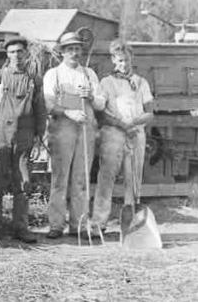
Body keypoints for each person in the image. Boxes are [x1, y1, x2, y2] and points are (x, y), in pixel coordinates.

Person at [0, 37, 46, 243]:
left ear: (26, 54)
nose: (16, 56)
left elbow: (41, 112)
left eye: (19, 52)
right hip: (0, 137)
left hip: (25, 137)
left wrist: (38, 140)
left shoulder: (34, 79)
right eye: (11, 52)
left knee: (23, 184)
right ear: (6, 55)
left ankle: (21, 228)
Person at [42, 32, 105, 239]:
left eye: (77, 48)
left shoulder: (89, 74)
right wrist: (68, 112)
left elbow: (101, 103)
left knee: (81, 179)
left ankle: (78, 224)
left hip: (86, 129)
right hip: (62, 129)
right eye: (70, 49)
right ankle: (56, 224)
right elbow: (48, 104)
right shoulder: (54, 74)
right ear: (62, 52)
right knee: (60, 179)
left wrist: (91, 96)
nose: (74, 53)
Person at [91, 40, 154, 233]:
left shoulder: (141, 82)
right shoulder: (106, 82)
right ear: (113, 60)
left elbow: (150, 111)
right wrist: (121, 125)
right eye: (119, 60)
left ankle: (131, 224)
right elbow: (101, 113)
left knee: (133, 180)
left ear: (131, 59)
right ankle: (98, 224)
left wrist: (134, 124)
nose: (123, 64)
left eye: (126, 60)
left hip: (136, 134)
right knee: (106, 178)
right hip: (113, 134)